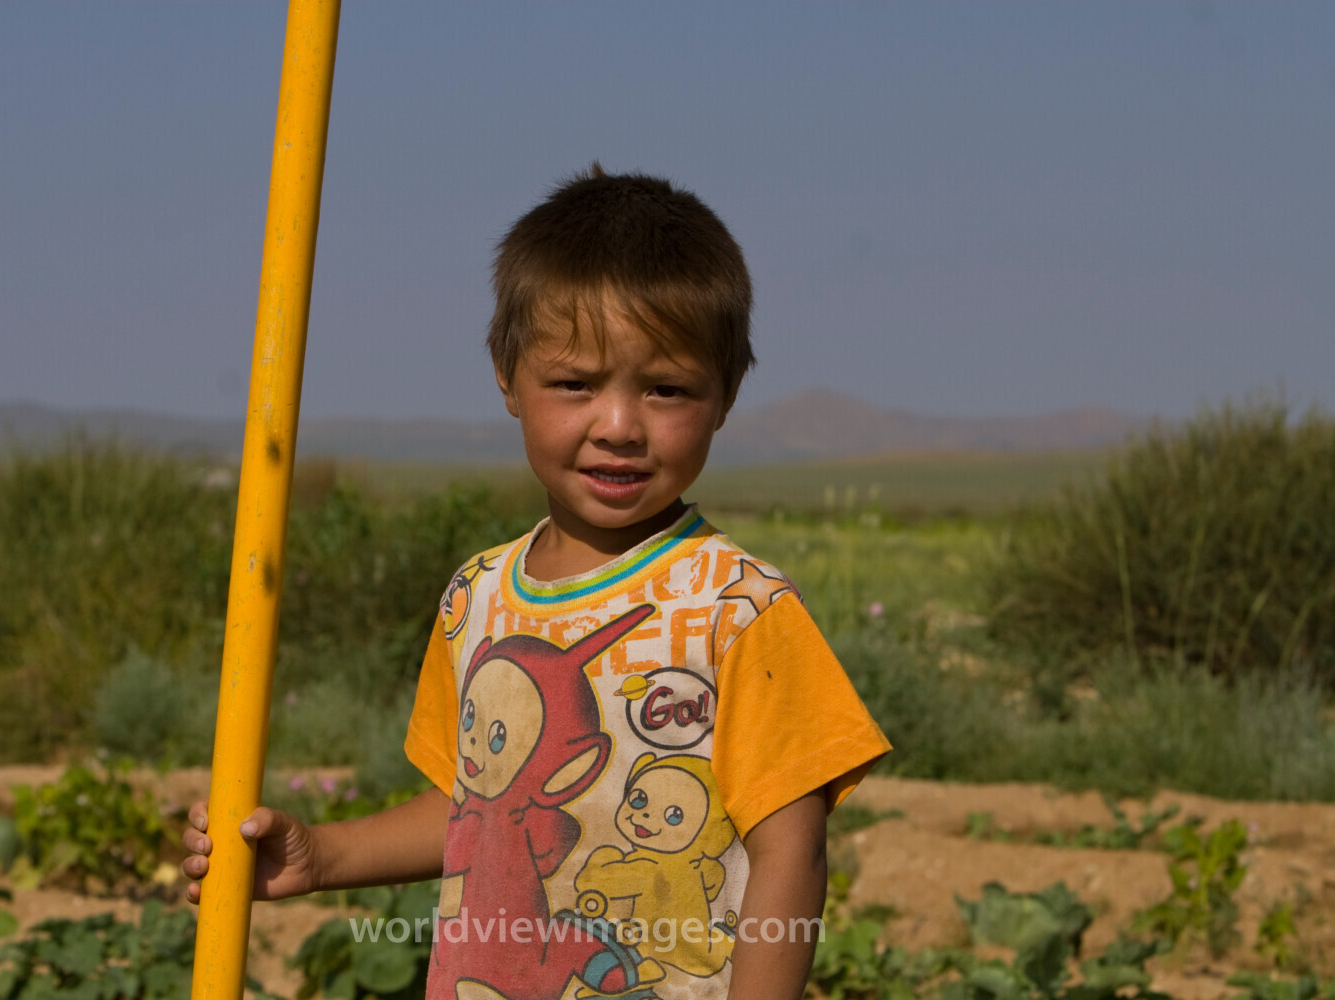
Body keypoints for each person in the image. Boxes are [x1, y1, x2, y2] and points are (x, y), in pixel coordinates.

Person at [183, 165, 891, 1000]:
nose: (620, 427)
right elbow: (469, 812)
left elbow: (791, 850)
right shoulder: (477, 596)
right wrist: (323, 855)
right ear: (507, 374)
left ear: (727, 393)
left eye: (666, 389)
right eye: (575, 384)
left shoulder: (737, 607)